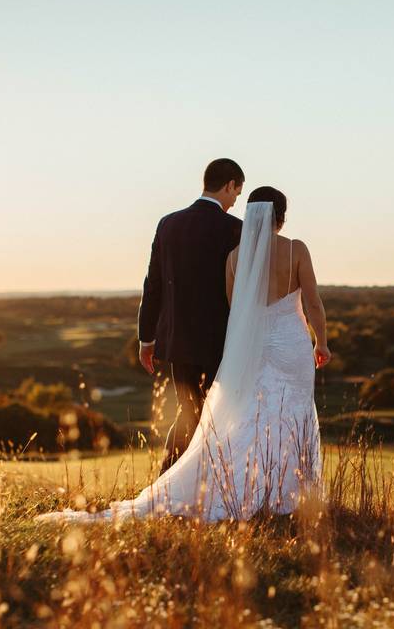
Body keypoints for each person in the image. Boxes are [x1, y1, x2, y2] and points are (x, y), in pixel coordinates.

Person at [37, 185, 331, 523]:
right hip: (291, 347)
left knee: (254, 416)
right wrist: (320, 342)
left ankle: (249, 489)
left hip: (256, 348)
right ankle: (290, 496)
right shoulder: (296, 250)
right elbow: (313, 303)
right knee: (293, 415)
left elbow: (237, 314)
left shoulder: (235, 258)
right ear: (281, 217)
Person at [137, 158, 244, 473]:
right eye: (237, 192)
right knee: (218, 415)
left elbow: (152, 285)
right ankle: (203, 484)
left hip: (177, 340)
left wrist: (147, 338)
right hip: (220, 340)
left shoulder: (168, 223)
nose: (236, 200)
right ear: (229, 185)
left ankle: (168, 478)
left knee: (189, 411)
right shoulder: (234, 228)